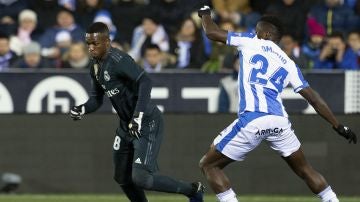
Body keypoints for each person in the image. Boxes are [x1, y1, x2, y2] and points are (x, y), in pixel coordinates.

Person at [197, 6, 357, 202]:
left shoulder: (250, 41)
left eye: (257, 30)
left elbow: (211, 32)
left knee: (208, 165)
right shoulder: (288, 62)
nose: (254, 33)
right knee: (305, 170)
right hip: (279, 121)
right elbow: (313, 98)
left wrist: (205, 13)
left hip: (253, 118)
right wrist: (338, 125)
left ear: (265, 33)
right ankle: (332, 199)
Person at [69, 22, 204, 202]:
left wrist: (138, 116)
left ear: (107, 42)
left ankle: (193, 190)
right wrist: (82, 108)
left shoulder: (119, 60)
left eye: (95, 44)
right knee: (122, 178)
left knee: (141, 178)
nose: (91, 48)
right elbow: (96, 99)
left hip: (146, 121)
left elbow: (145, 81)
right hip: (126, 126)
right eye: (89, 44)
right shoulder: (94, 66)